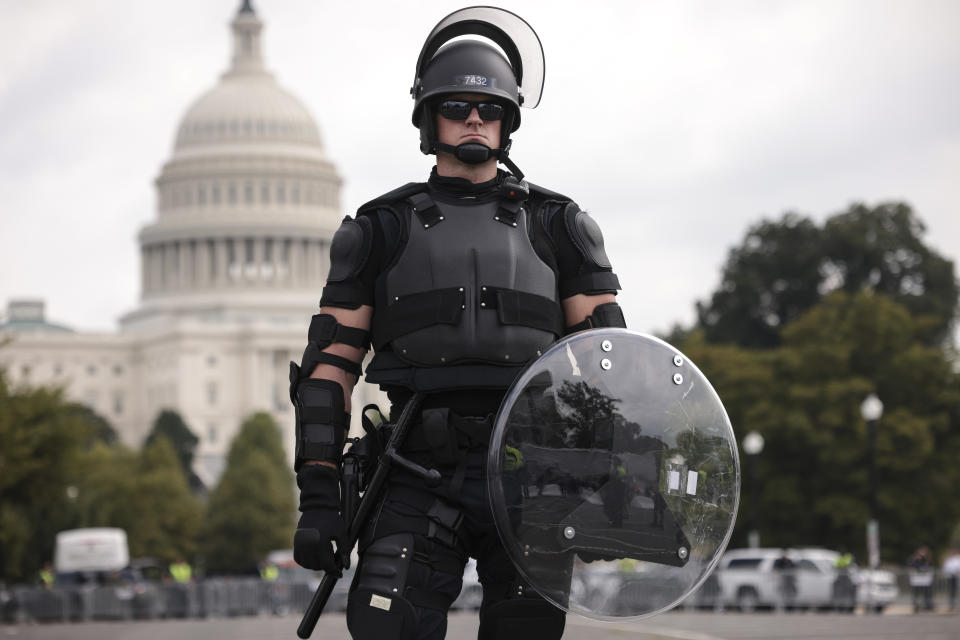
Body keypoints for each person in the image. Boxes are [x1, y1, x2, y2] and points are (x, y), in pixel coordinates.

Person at [289, 7, 625, 640]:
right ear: (429, 118)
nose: (475, 118)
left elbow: (611, 365)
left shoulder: (561, 226)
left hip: (534, 474)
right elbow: (328, 370)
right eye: (459, 105)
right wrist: (318, 497)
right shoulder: (378, 229)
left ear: (507, 122)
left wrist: (611, 480)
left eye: (490, 108)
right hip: (417, 468)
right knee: (388, 628)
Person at [907, 546, 935, 613]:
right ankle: (915, 606)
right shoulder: (913, 558)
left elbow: (929, 565)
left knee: (927, 592)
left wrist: (925, 559)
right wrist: (916, 559)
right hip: (916, 580)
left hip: (925, 580)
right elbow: (911, 565)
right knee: (916, 593)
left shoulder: (925, 559)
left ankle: (928, 605)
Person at [943, 547, 960, 612]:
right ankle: (952, 605)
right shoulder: (949, 560)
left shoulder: (958, 559)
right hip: (951, 577)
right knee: (952, 592)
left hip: (957, 576)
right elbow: (945, 568)